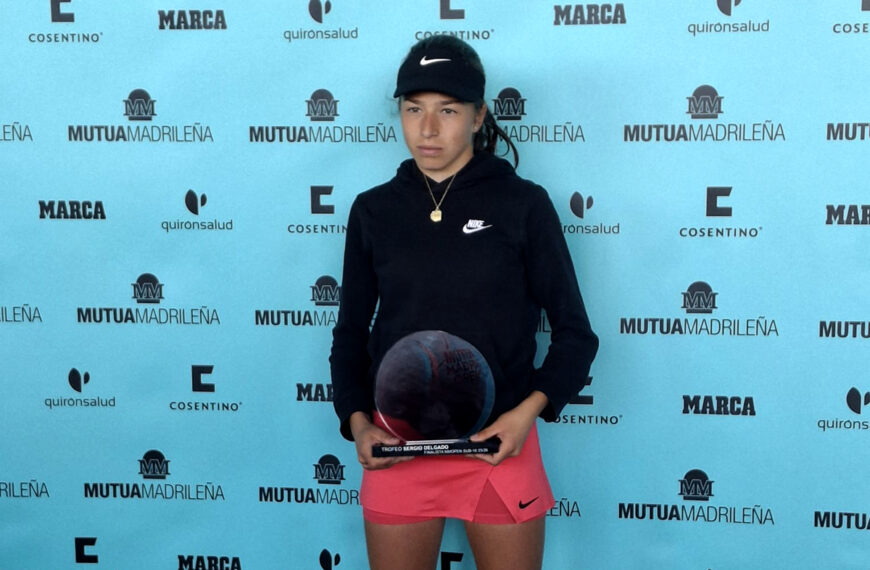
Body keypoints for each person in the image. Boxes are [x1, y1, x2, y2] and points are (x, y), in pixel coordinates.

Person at [330, 35, 598, 570]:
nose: (428, 128)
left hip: (499, 448)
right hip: (397, 451)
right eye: (414, 109)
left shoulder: (524, 205)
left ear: (479, 117)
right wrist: (357, 422)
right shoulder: (372, 211)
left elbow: (576, 334)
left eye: (448, 110)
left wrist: (525, 416)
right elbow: (350, 334)